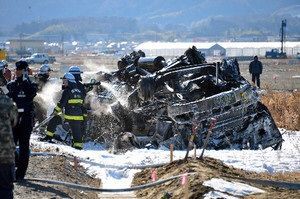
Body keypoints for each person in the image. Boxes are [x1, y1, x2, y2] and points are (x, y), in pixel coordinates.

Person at [6, 60, 37, 181]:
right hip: (13, 118)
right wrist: (3, 85)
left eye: (20, 70)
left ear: (24, 71)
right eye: (16, 70)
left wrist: (24, 80)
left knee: (24, 146)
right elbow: (7, 96)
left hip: (26, 117)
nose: (17, 72)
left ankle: (20, 174)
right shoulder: (12, 84)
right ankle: (16, 163)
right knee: (11, 145)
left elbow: (32, 94)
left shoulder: (31, 83)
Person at [44, 73, 85, 150]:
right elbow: (81, 103)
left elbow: (61, 103)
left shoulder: (67, 91)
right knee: (77, 132)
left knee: (54, 119)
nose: (63, 83)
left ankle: (48, 137)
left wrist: (55, 111)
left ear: (69, 81)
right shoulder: (79, 91)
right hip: (78, 116)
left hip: (68, 116)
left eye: (65, 81)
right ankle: (78, 147)